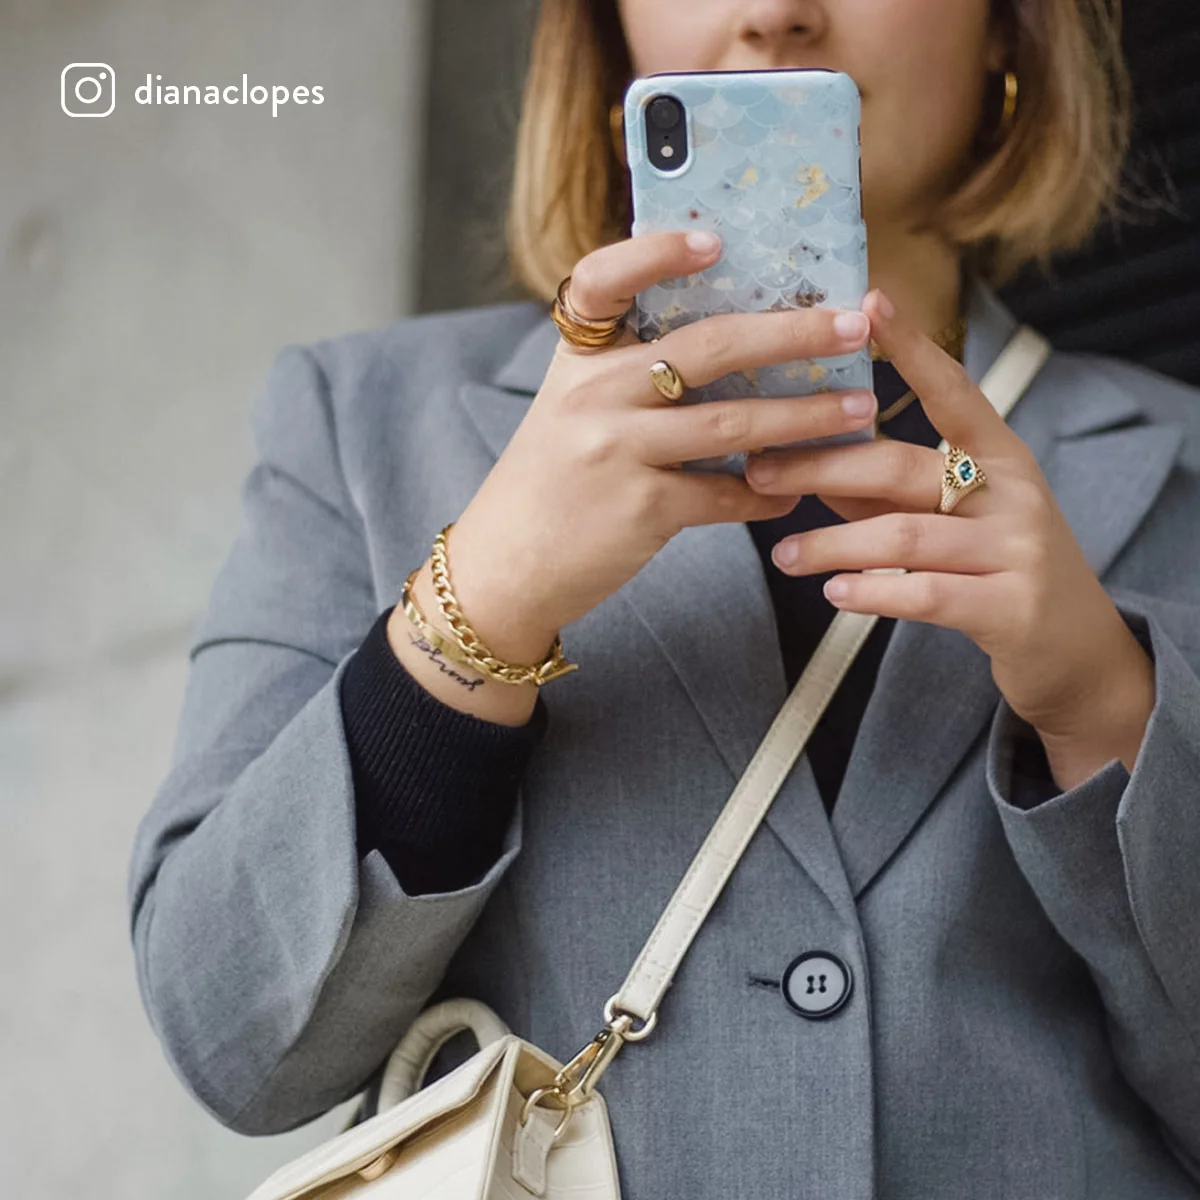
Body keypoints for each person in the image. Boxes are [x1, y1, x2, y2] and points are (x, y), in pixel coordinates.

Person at [128, 1, 1200, 1195]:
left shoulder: (1181, 471)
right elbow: (230, 1037)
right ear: (607, 38)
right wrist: (479, 603)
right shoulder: (358, 418)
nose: (776, 13)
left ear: (1009, 30)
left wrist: (1107, 706)